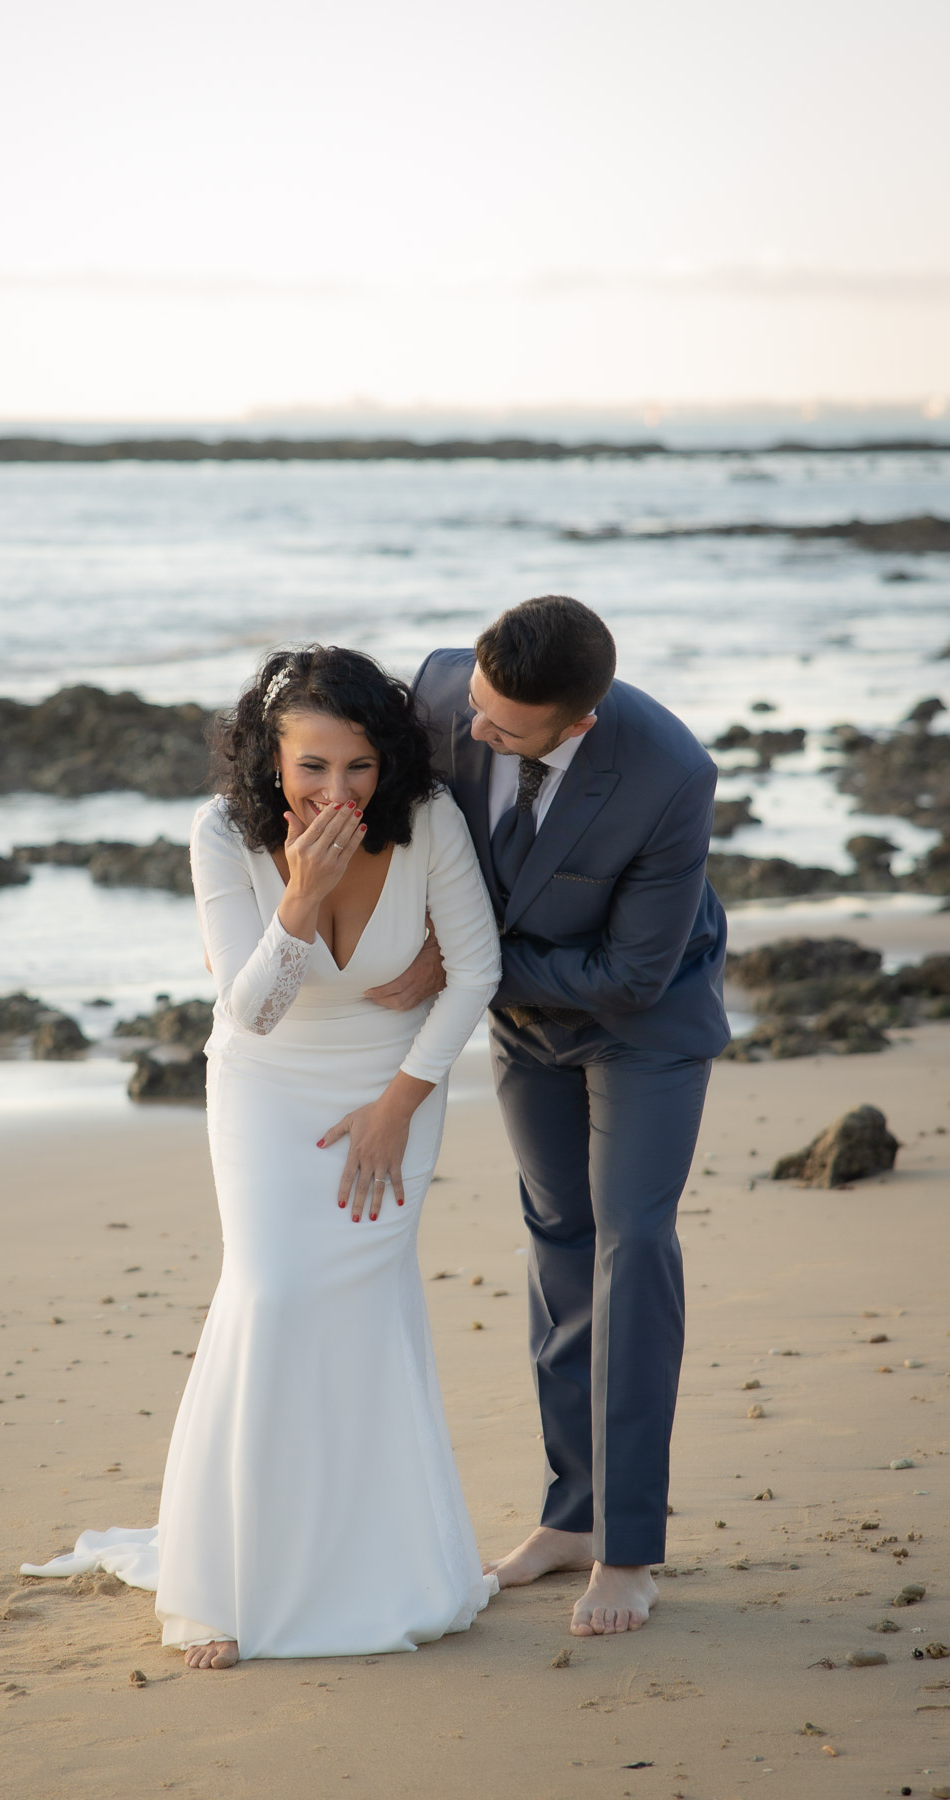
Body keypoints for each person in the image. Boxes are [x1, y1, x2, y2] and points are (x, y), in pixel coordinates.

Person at [22, 645, 502, 1665]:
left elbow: (475, 972)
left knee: (365, 1314)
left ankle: (377, 1564)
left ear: (390, 764)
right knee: (273, 1295)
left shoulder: (430, 824)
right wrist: (297, 900)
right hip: (266, 1087)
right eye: (314, 767)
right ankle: (230, 1581)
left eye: (360, 768)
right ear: (270, 760)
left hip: (396, 1087)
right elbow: (249, 1008)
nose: (338, 790)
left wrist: (397, 1106)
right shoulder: (218, 835)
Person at [379, 594, 729, 1638]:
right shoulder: (447, 688)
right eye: (477, 708)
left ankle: (627, 1551)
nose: (476, 732)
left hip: (644, 1024)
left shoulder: (672, 774)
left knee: (633, 1247)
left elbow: (631, 975)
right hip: (520, 1021)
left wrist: (464, 964)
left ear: (576, 723)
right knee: (556, 1247)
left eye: (505, 728)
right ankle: (571, 1515)